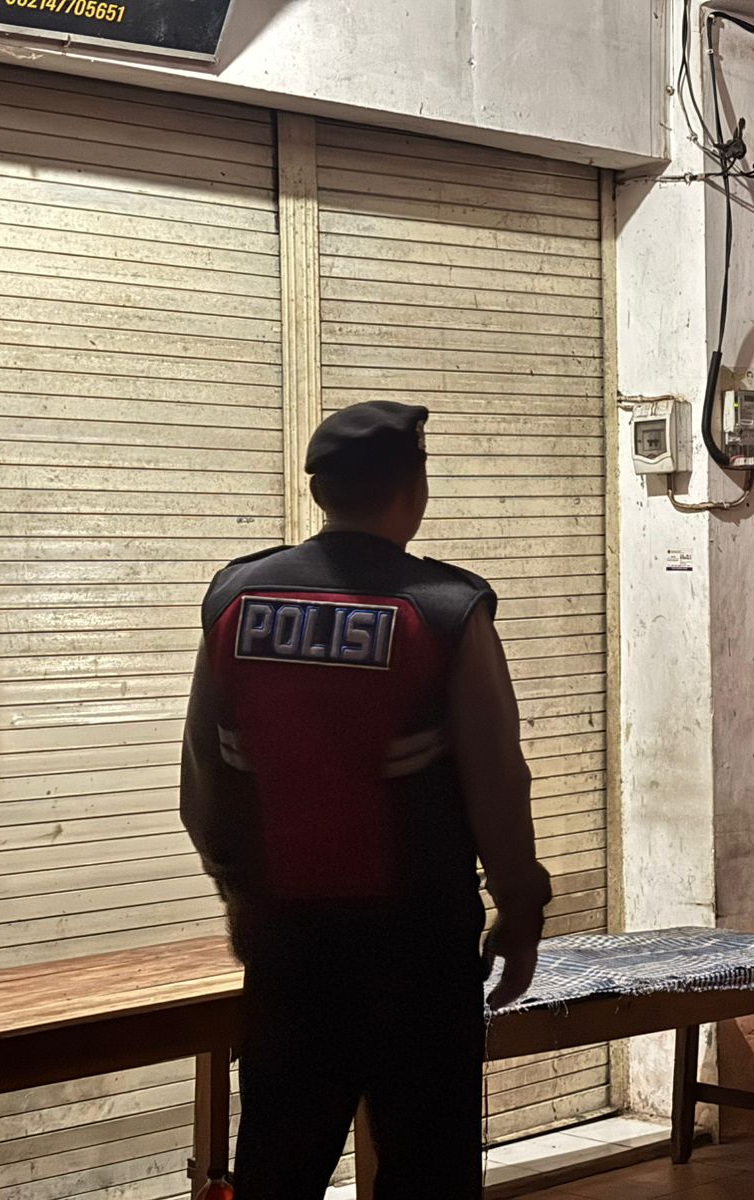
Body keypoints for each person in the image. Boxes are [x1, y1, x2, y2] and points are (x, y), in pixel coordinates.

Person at [180, 400, 551, 1198]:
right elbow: (498, 779)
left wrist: (242, 899)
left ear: (320, 492)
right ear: (414, 491)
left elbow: (204, 778)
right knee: (427, 1169)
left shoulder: (235, 597)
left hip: (287, 945)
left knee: (279, 1166)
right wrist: (520, 907)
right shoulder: (446, 608)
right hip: (418, 950)